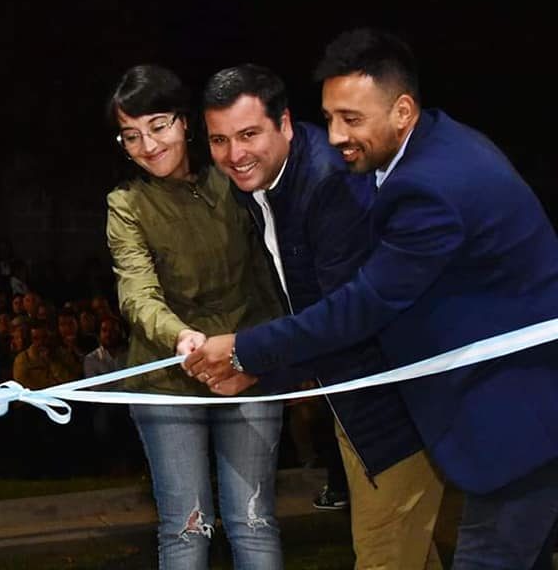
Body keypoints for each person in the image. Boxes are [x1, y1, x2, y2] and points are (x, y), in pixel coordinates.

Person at [185, 28, 558, 569]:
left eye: (352, 119)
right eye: (331, 116)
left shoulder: (428, 188)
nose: (335, 135)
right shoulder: (431, 148)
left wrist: (245, 351)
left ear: (403, 110)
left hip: (522, 420)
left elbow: (360, 307)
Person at [202, 64, 444, 568]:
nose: (234, 154)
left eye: (248, 134)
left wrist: (248, 354)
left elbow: (345, 316)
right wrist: (255, 368)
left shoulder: (331, 184)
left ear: (284, 124)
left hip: (399, 406)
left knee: (383, 556)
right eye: (219, 140)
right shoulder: (263, 185)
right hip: (355, 401)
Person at [105, 65, 287, 568]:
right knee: (187, 529)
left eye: (158, 125)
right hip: (167, 380)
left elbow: (269, 275)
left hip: (246, 366)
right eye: (131, 136)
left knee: (253, 522)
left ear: (185, 123)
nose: (148, 144)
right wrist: (183, 338)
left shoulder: (235, 179)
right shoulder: (127, 204)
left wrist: (258, 350)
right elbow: (137, 294)